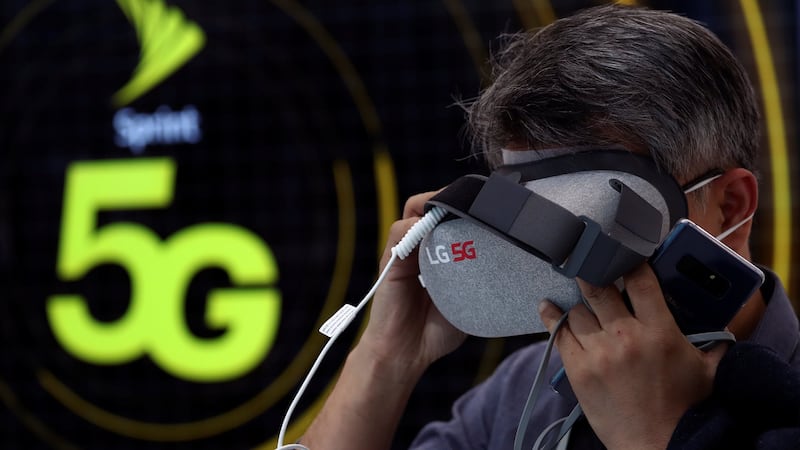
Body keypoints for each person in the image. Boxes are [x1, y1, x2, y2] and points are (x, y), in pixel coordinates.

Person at [298, 4, 800, 449]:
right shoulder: (521, 393)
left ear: (730, 205)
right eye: (531, 209)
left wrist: (654, 435)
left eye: (586, 207)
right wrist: (386, 358)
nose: (558, 250)